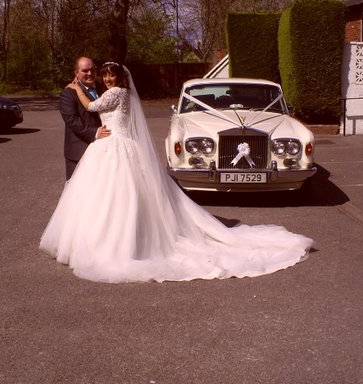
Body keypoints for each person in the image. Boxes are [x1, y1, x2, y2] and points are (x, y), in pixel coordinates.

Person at [40, 62, 314, 283]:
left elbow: (90, 107)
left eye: (111, 75)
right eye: (104, 75)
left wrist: (74, 87)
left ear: (119, 78)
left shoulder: (114, 93)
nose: (107, 79)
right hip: (110, 145)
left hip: (115, 145)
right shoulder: (111, 92)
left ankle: (118, 242)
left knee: (121, 195)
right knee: (113, 196)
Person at [59, 56, 111, 179]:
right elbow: (72, 119)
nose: (90, 73)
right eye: (85, 71)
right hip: (80, 150)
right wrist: (95, 132)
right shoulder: (69, 93)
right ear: (76, 73)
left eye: (92, 70)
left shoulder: (104, 87)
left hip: (106, 148)